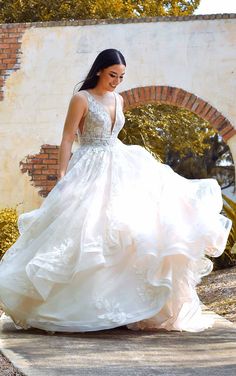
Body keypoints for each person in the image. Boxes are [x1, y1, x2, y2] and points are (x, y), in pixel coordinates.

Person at [0, 49, 232, 333]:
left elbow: (113, 135)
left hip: (119, 162)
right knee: (87, 230)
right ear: (99, 70)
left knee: (129, 230)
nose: (116, 82)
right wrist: (62, 173)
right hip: (89, 165)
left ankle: (126, 308)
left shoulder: (119, 99)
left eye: (121, 77)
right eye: (112, 75)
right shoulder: (81, 99)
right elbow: (68, 136)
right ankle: (79, 305)